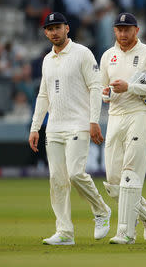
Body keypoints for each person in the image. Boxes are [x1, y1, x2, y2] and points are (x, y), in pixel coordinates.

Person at [29, 12, 111, 246]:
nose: (54, 32)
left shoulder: (82, 53)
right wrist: (36, 127)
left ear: (67, 28)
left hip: (78, 123)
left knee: (75, 173)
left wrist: (93, 120)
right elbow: (43, 95)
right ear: (45, 33)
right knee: (57, 179)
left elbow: (96, 87)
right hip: (54, 126)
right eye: (50, 28)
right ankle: (65, 232)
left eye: (58, 27)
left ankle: (102, 210)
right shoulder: (46, 60)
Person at [100, 12, 146, 244]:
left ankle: (126, 232)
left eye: (127, 29)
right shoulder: (108, 56)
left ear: (137, 30)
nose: (123, 34)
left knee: (130, 174)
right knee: (114, 182)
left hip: (140, 115)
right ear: (114, 31)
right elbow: (103, 89)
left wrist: (130, 87)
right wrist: (106, 94)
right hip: (115, 117)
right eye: (119, 29)